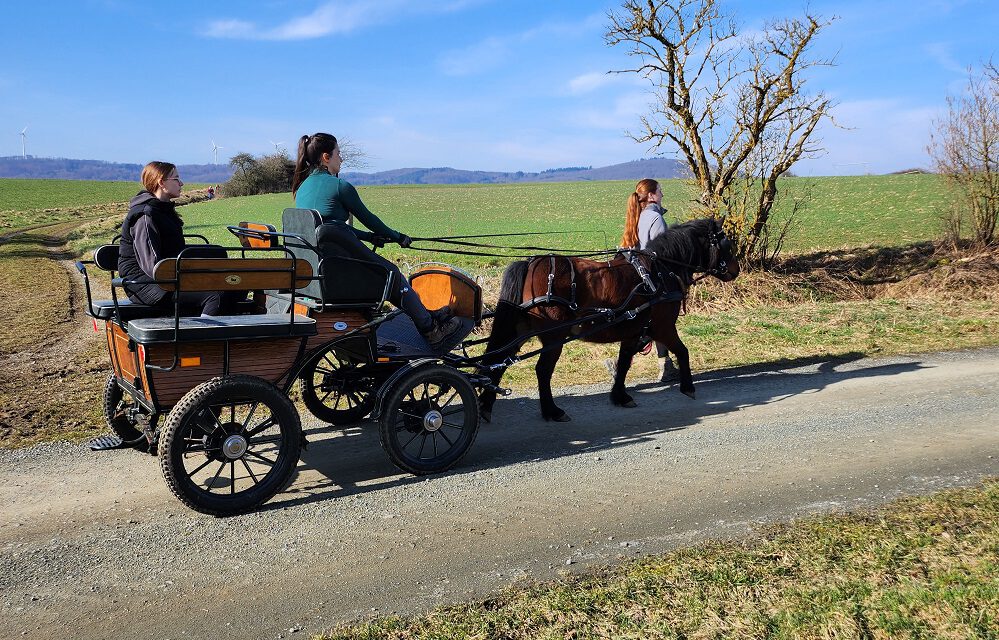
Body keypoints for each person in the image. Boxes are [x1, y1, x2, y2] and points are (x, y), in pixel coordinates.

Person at [290, 132, 461, 349]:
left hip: (317, 274)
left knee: (388, 274)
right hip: (338, 273)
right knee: (392, 275)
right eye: (338, 154)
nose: (340, 159)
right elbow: (370, 219)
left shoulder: (302, 188)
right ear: (326, 157)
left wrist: (369, 238)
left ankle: (426, 314)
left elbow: (332, 228)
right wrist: (398, 237)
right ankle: (431, 330)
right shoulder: (340, 186)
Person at [118, 161, 241, 316]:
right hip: (147, 284)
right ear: (161, 182)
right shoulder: (145, 214)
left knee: (236, 286)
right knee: (216, 295)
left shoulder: (162, 210)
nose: (181, 183)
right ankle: (199, 338)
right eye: (176, 179)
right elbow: (152, 266)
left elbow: (173, 249)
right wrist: (194, 278)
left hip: (165, 277)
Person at [613, 178, 678, 383]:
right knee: (659, 321)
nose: (662, 194)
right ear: (651, 196)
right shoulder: (655, 218)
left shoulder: (639, 215)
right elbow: (664, 254)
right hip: (652, 277)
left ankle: (665, 365)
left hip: (638, 275)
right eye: (660, 191)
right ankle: (620, 365)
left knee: (658, 322)